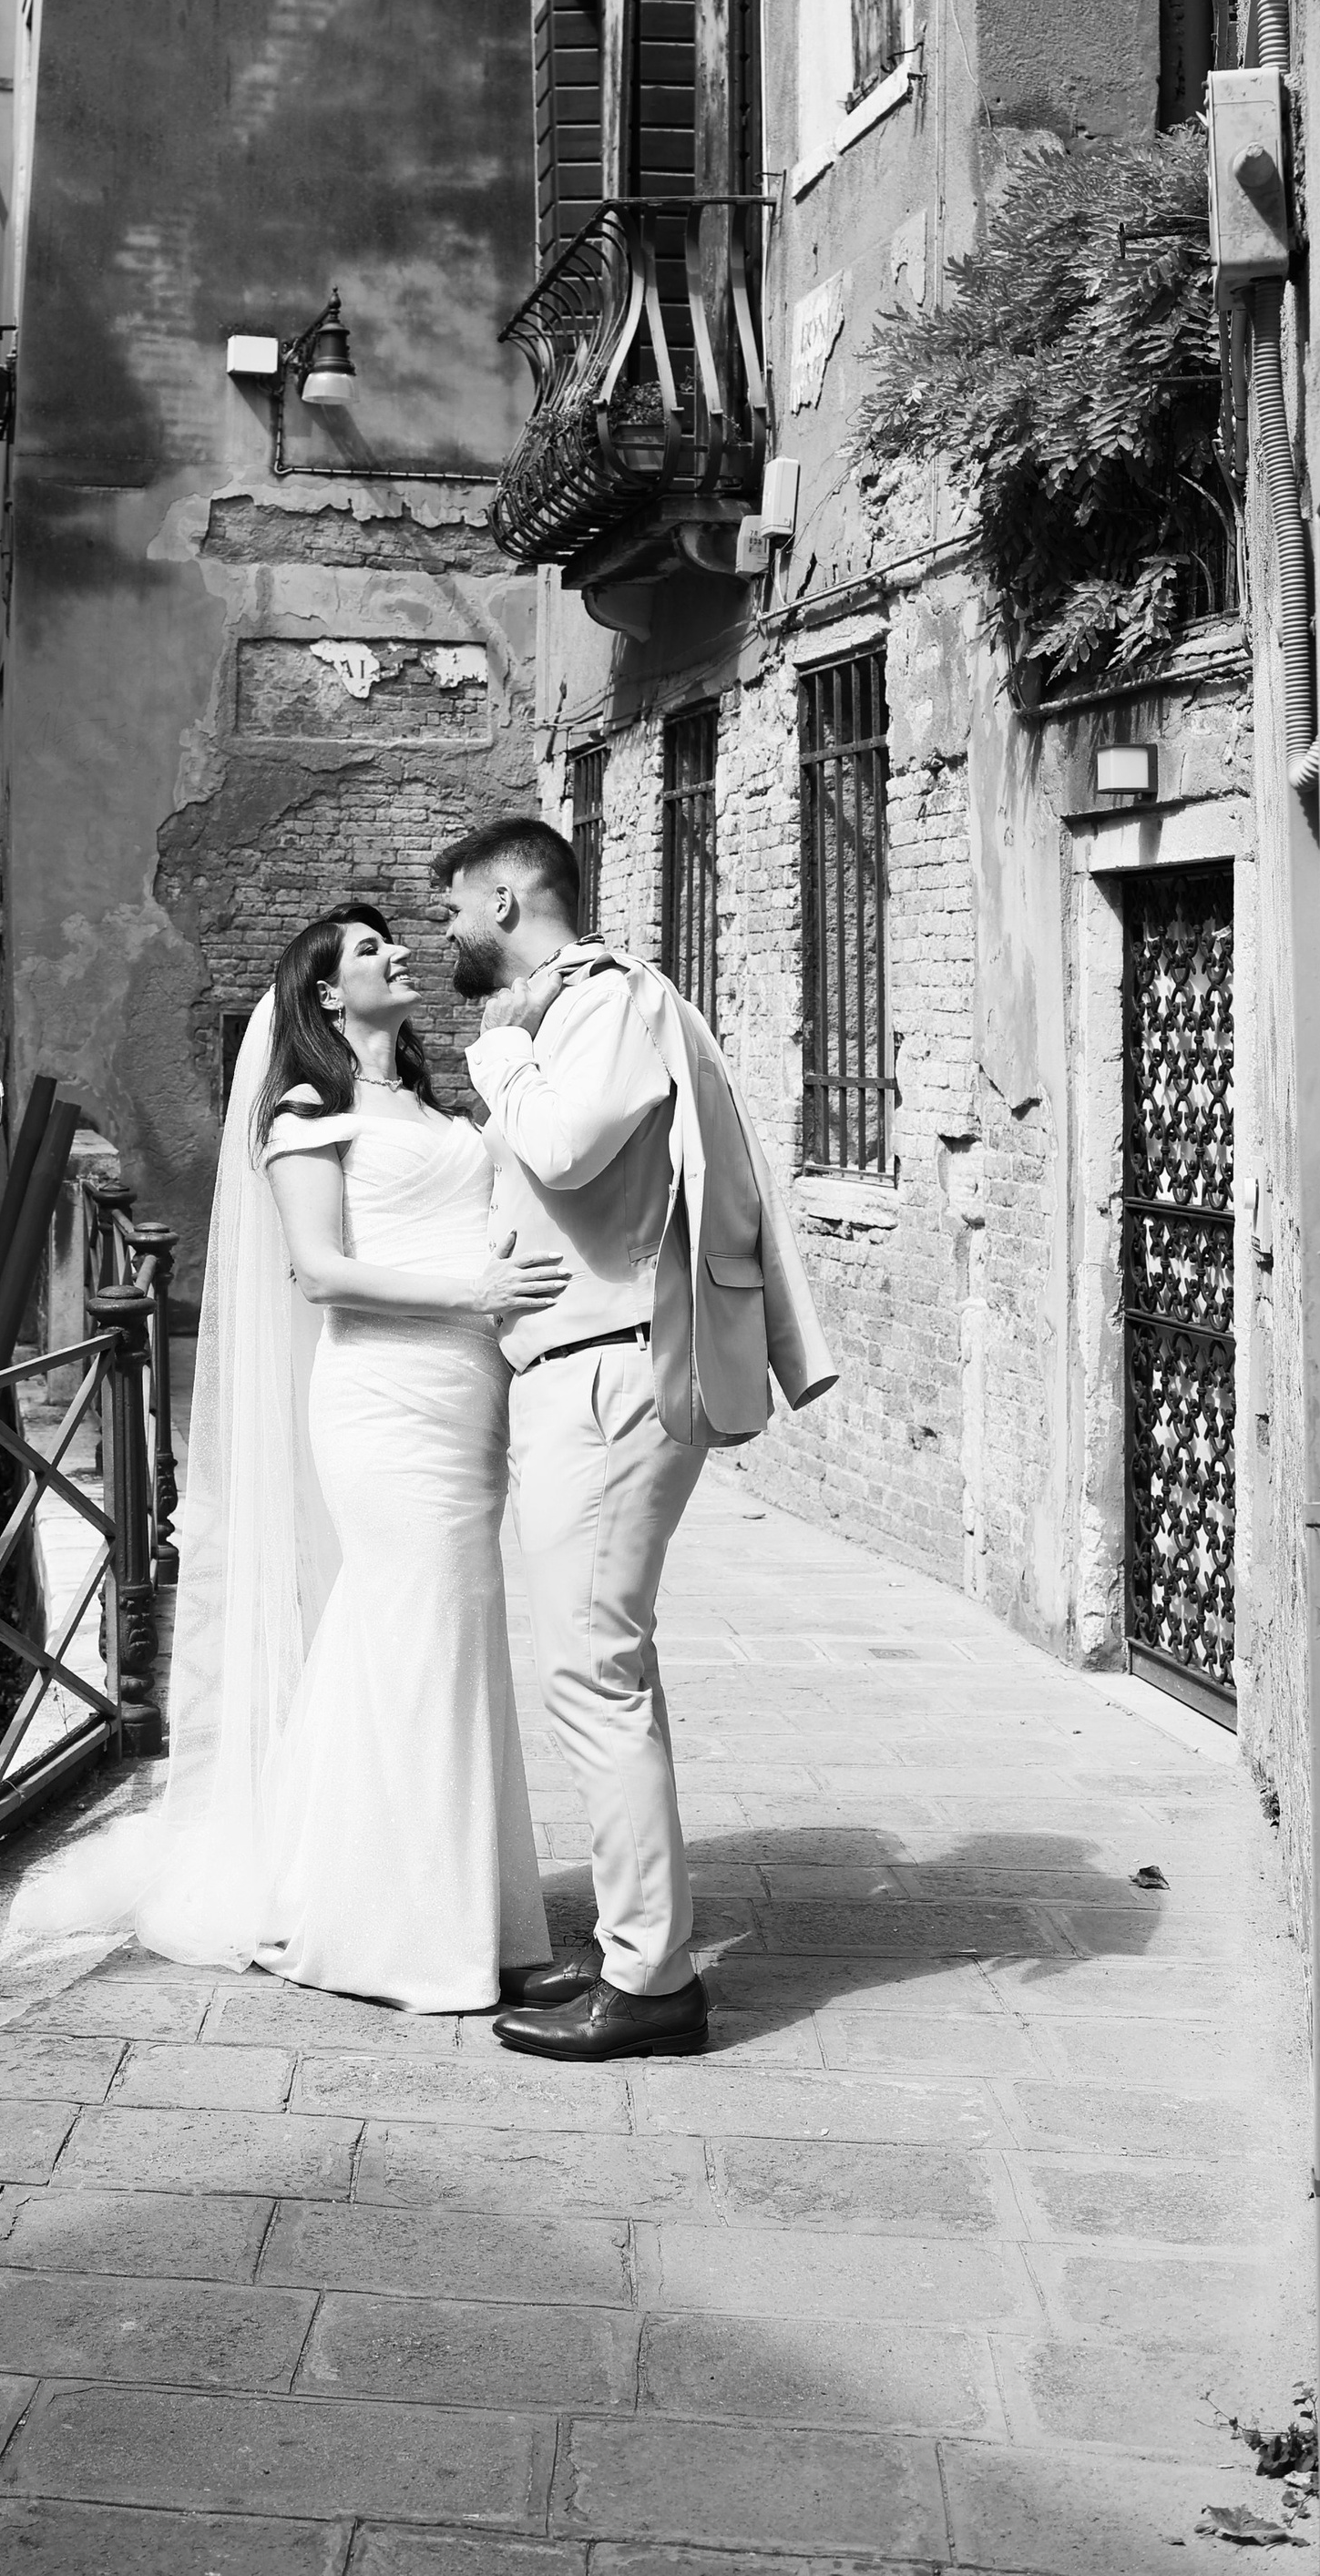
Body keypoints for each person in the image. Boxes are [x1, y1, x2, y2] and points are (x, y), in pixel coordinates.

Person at [29, 901, 567, 2010]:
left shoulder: (425, 1102)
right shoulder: (303, 1115)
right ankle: (389, 1932)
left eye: (392, 942)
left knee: (443, 1642)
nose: (396, 954)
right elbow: (320, 1272)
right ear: (324, 994)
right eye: (368, 950)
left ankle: (456, 1912)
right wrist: (476, 1291)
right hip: (382, 1398)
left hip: (466, 1399)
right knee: (409, 1633)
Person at [435, 815, 834, 2065]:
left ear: (508, 898)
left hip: (610, 1380)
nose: (444, 929)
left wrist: (499, 1057)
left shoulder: (599, 1001)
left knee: (591, 1672)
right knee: (604, 1665)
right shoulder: (571, 1012)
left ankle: (653, 1980)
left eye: (454, 905)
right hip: (588, 1372)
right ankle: (632, 1948)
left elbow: (565, 1142)